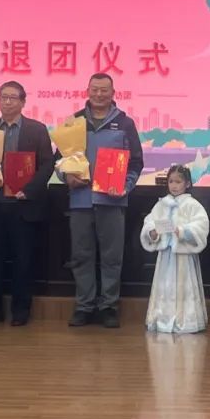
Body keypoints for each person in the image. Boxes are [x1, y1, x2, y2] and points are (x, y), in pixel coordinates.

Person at [0, 81, 54, 327]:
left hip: (24, 206)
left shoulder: (37, 130)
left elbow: (47, 165)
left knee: (23, 261)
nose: (7, 102)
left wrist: (29, 190)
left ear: (23, 102)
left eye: (13, 98)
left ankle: (21, 311)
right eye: (3, 97)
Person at [62, 73, 144, 329]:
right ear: (87, 91)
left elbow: (136, 162)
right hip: (80, 200)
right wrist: (66, 177)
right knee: (81, 256)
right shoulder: (74, 122)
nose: (99, 94)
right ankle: (84, 306)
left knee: (112, 257)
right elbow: (61, 160)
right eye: (95, 89)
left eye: (104, 90)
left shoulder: (125, 123)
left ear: (113, 93)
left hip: (112, 201)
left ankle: (109, 307)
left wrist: (125, 186)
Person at [140, 165, 209, 334]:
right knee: (165, 287)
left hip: (184, 258)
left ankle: (184, 320)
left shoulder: (192, 205)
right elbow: (150, 222)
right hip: (166, 256)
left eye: (178, 182)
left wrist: (183, 231)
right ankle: (162, 319)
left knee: (184, 287)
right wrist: (152, 232)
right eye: (171, 181)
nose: (174, 185)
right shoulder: (161, 204)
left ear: (187, 183)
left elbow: (201, 225)